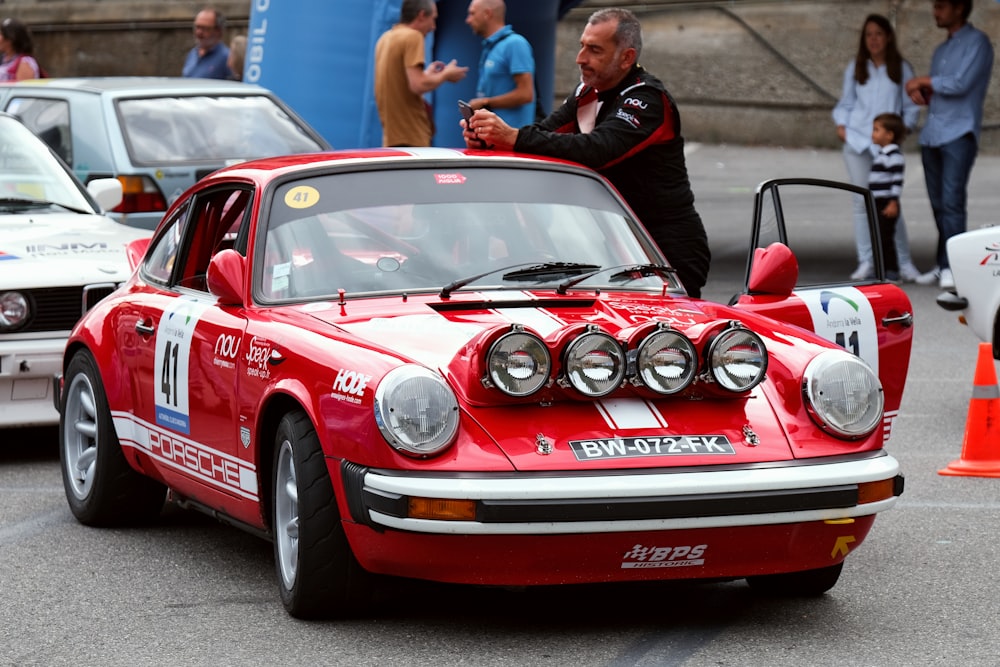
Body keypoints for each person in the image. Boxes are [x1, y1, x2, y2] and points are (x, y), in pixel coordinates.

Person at [462, 8, 710, 297]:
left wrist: (514, 137)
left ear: (627, 58)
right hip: (619, 241)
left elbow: (598, 150)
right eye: (582, 46)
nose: (581, 58)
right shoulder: (586, 92)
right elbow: (545, 135)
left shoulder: (648, 99)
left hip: (668, 245)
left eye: (594, 50)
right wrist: (491, 141)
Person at [906, 0, 993, 290]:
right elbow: (942, 90)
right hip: (934, 133)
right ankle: (943, 262)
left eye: (941, 6)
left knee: (953, 202)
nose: (935, 11)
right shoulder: (941, 50)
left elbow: (960, 83)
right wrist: (925, 93)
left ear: (959, 8)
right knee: (939, 205)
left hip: (959, 133)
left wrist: (922, 80)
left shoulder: (977, 42)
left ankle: (955, 266)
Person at [832, 14, 921, 283]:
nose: (873, 39)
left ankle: (903, 263)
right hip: (859, 142)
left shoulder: (901, 68)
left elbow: (911, 107)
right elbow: (845, 103)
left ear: (888, 37)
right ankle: (867, 261)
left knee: (890, 204)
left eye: (879, 34)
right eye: (869, 34)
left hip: (886, 146)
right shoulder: (857, 67)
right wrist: (842, 125)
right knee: (862, 202)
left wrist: (901, 132)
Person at [374, 0, 468, 147]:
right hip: (412, 137)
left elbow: (402, 82)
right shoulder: (413, 36)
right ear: (422, 15)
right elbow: (418, 85)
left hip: (391, 138)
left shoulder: (385, 39)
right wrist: (446, 74)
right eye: (433, 19)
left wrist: (428, 74)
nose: (433, 27)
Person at [465, 0, 536, 128]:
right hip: (491, 137)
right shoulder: (491, 47)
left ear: (487, 14)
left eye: (472, 14)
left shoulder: (515, 44)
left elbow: (526, 94)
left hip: (512, 139)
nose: (468, 20)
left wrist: (486, 102)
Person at [869, 113, 907, 280]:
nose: (873, 133)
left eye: (877, 130)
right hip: (877, 202)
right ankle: (880, 270)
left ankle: (891, 271)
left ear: (889, 135)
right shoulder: (882, 154)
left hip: (886, 203)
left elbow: (897, 182)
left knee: (885, 238)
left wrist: (893, 202)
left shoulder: (894, 157)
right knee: (877, 236)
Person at [182, 7, 232, 80]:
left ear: (218, 31)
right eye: (197, 27)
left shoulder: (226, 57)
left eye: (204, 28)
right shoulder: (192, 54)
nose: (199, 32)